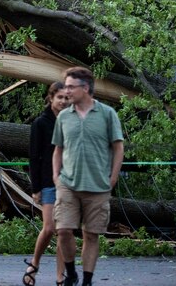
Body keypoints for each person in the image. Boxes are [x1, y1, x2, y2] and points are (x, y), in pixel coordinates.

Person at [53, 67, 124, 286]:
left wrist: (112, 178)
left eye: (71, 87)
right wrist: (56, 176)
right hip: (68, 183)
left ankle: (87, 280)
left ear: (85, 88)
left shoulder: (107, 114)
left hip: (98, 185)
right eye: (65, 86)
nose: (67, 91)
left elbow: (118, 147)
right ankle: (71, 272)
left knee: (91, 234)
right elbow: (58, 149)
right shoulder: (64, 116)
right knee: (63, 230)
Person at [23, 82, 70, 286]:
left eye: (66, 98)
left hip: (69, 183)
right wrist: (35, 188)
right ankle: (34, 264)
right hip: (47, 182)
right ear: (51, 98)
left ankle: (60, 276)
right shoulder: (40, 123)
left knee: (63, 231)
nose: (63, 101)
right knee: (49, 228)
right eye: (59, 97)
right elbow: (34, 157)